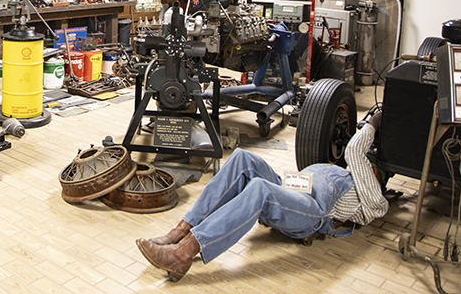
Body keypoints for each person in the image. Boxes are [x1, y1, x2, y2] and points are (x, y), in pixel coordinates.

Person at [136, 112, 388, 282]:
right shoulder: (343, 172)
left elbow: (355, 151)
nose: (367, 167)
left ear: (378, 176)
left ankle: (183, 254)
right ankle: (181, 231)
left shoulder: (374, 198)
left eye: (371, 167)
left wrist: (374, 121)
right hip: (291, 192)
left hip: (310, 213)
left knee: (260, 188)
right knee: (241, 158)